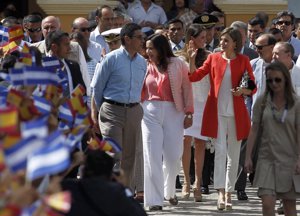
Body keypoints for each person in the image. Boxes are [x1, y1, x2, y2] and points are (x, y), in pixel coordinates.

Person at [188, 27, 256, 210]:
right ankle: (219, 192)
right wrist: (192, 59)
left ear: (235, 43)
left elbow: (252, 85)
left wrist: (243, 90)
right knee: (220, 152)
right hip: (216, 112)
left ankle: (228, 192)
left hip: (237, 113)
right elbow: (194, 76)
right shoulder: (213, 58)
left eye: (226, 40)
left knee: (233, 156)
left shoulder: (243, 60)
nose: (222, 43)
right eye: (221, 40)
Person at [91, 23, 147, 190]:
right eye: (139, 37)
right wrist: (103, 111)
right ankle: (109, 194)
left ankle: (125, 194)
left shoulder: (142, 62)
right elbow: (98, 88)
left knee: (129, 157)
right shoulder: (111, 59)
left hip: (134, 110)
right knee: (114, 154)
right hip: (111, 110)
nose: (142, 41)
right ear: (127, 39)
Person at [142, 33, 193, 211]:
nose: (148, 51)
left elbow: (187, 88)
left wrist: (189, 112)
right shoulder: (144, 64)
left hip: (174, 110)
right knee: (152, 155)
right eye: (147, 48)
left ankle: (169, 191)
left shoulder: (178, 63)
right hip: (149, 110)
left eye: (152, 48)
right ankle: (154, 200)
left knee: (173, 155)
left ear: (161, 48)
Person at [245, 61, 300, 216]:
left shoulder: (296, 103)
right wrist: (248, 156)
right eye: (270, 80)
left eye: (277, 79)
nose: (274, 83)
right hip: (266, 158)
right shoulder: (262, 101)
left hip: (289, 159)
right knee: (267, 203)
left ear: (286, 80)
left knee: (289, 207)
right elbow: (254, 129)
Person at [176, 23, 209, 202]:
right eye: (201, 37)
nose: (205, 40)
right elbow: (188, 78)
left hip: (203, 103)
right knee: (185, 140)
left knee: (201, 143)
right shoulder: (180, 58)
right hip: (187, 104)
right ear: (192, 39)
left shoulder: (209, 56)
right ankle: (186, 181)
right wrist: (190, 59)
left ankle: (198, 182)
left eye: (205, 37)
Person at [46, 30, 86, 97]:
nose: (69, 48)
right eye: (66, 45)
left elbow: (82, 92)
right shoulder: (41, 66)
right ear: (54, 47)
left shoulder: (73, 66)